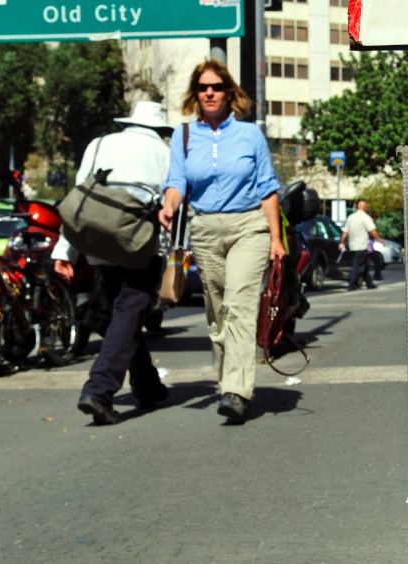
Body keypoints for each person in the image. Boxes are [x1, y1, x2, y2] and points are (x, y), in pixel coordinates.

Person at [159, 59, 286, 424]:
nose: (209, 92)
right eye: (203, 87)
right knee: (217, 314)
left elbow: (267, 188)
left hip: (248, 226)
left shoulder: (250, 135)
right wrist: (169, 206)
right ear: (196, 94)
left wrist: (276, 238)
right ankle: (227, 381)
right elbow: (177, 182)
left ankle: (237, 390)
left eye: (216, 86)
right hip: (204, 229)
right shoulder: (183, 136)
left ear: (230, 92)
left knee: (239, 306)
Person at [52, 101, 173, 426]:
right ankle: (99, 390)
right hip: (137, 244)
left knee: (122, 313)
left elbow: (79, 201)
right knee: (129, 308)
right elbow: (173, 206)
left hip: (97, 242)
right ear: (160, 129)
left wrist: (66, 252)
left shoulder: (100, 143)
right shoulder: (165, 153)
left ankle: (148, 386)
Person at [339, 199, 383, 291]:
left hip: (352, 246)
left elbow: (345, 232)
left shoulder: (350, 217)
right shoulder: (366, 217)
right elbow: (372, 231)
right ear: (364, 207)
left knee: (364, 264)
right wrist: (379, 239)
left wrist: (342, 242)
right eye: (367, 206)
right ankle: (351, 284)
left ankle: (369, 283)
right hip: (362, 246)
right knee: (357, 266)